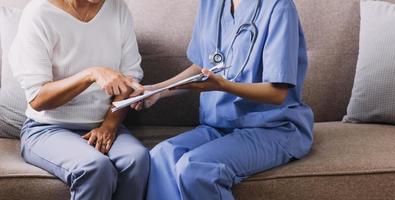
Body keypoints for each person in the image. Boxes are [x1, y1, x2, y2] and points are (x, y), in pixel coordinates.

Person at [131, 0, 314, 199]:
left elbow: (277, 94)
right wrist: (158, 90)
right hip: (220, 125)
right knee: (161, 156)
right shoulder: (210, 4)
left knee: (196, 168)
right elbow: (202, 66)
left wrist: (224, 86)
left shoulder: (278, 6)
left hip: (272, 127)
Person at [9, 0, 149, 199]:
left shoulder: (118, 8)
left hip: (105, 123)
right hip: (47, 128)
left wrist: (109, 125)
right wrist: (90, 74)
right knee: (95, 167)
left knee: (136, 159)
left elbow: (130, 76)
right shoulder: (39, 13)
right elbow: (38, 99)